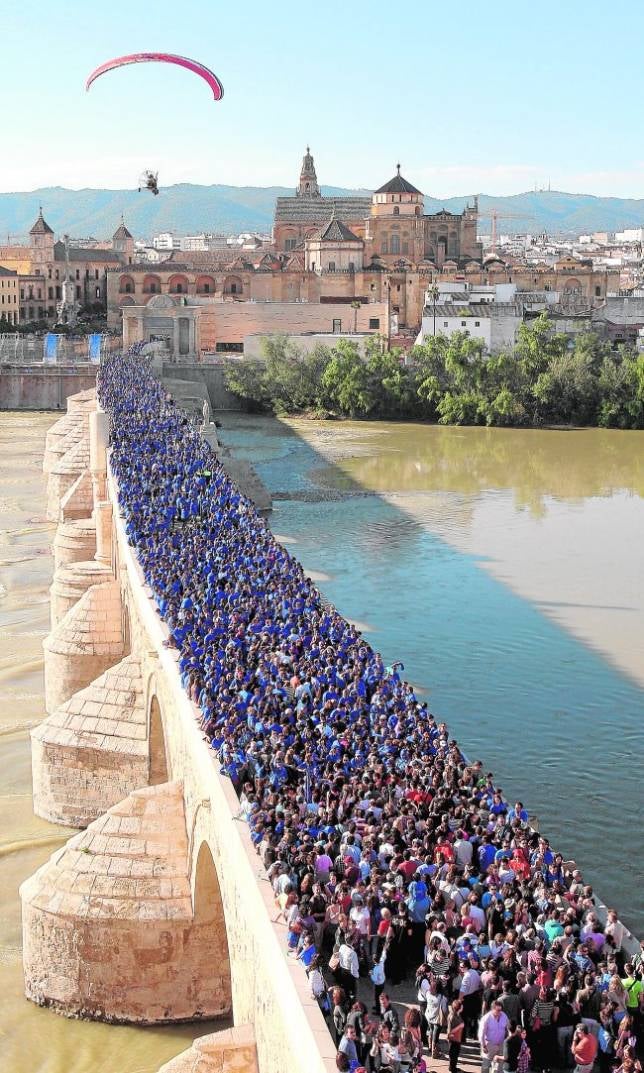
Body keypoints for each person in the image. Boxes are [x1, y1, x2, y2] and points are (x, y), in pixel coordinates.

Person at [479, 999, 510, 1073]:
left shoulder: (504, 1015)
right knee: (486, 1065)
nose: (500, 1012)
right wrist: (483, 1045)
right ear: (492, 1009)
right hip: (489, 1045)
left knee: (499, 1066)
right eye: (497, 1010)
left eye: (500, 1010)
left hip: (501, 1044)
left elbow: (509, 1028)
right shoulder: (486, 1018)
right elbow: (481, 1034)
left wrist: (508, 1041)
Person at [446, 998, 465, 1073]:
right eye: (461, 1006)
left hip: (457, 1039)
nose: (463, 1007)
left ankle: (453, 1067)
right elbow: (449, 1032)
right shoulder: (452, 1017)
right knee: (453, 1055)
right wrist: (460, 1026)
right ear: (459, 1008)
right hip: (453, 1040)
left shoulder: (457, 1014)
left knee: (455, 1055)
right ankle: (453, 1069)